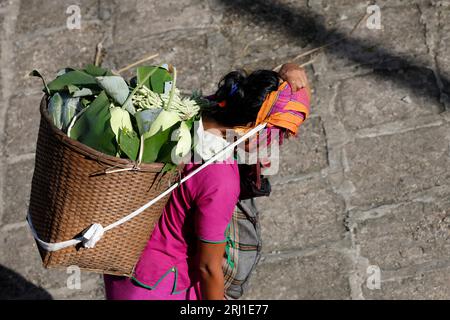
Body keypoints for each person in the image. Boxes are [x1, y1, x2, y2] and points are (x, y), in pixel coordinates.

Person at [103, 63, 310, 300]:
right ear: (252, 129)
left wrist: (289, 69)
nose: (275, 144)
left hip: (122, 261)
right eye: (275, 135)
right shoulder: (220, 178)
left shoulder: (194, 111)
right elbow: (209, 268)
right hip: (158, 286)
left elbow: (268, 97)